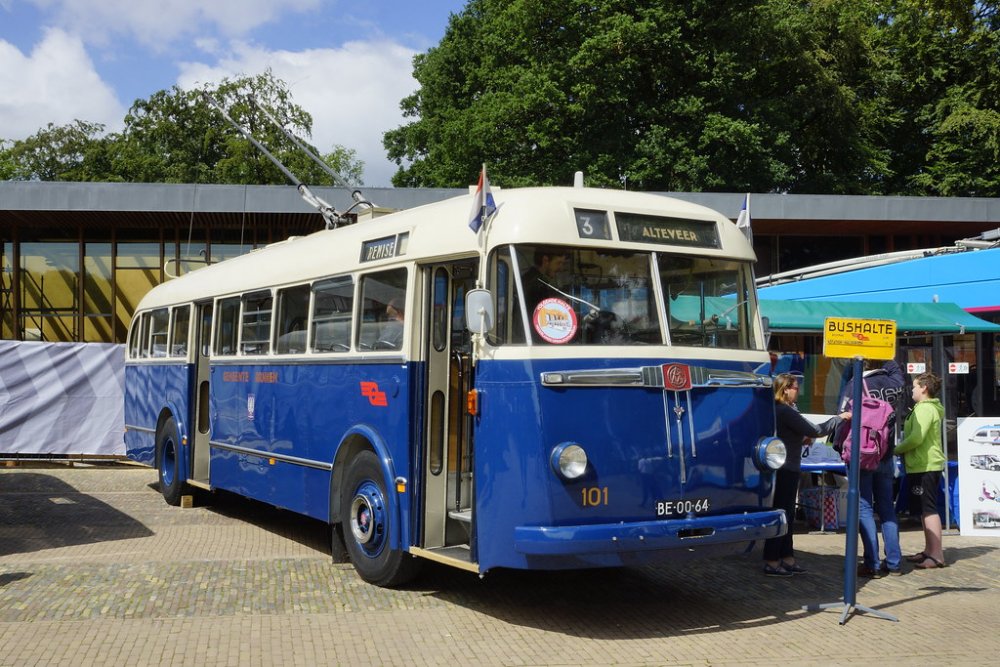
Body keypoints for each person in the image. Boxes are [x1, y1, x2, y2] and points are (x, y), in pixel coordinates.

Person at [764, 373, 849, 577]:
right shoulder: (785, 410)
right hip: (786, 467)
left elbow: (793, 434)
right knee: (783, 513)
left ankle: (787, 557)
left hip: (787, 465)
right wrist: (840, 418)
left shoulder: (781, 410)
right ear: (785, 389)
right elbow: (816, 429)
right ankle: (772, 560)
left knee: (787, 514)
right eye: (795, 387)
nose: (798, 391)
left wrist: (801, 439)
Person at [839, 359, 906, 577]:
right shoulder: (895, 381)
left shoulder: (855, 385)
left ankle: (872, 564)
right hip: (886, 453)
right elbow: (896, 367)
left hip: (862, 454)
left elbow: (841, 417)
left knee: (864, 508)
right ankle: (894, 562)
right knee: (887, 507)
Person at [894, 371, 947, 569]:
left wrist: (896, 449)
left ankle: (936, 555)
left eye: (915, 386)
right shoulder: (924, 408)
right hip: (921, 464)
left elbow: (917, 438)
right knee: (925, 510)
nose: (912, 390)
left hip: (926, 465)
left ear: (924, 388)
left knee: (929, 509)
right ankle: (929, 550)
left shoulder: (924, 409)